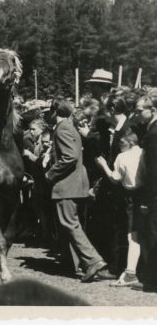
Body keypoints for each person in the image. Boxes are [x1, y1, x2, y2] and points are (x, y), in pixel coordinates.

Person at [45, 97, 113, 282]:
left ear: (53, 111)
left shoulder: (63, 128)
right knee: (70, 224)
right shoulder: (69, 126)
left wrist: (50, 174)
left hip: (68, 184)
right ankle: (78, 263)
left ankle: (94, 262)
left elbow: (70, 157)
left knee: (70, 224)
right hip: (75, 183)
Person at [96, 129, 145, 287]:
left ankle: (131, 272)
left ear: (130, 143)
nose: (119, 146)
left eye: (121, 143)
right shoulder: (144, 152)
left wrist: (104, 165)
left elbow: (115, 178)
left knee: (133, 235)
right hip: (147, 194)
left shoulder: (122, 157)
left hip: (132, 197)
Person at [131, 90, 157, 292]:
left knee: (152, 233)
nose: (137, 114)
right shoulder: (150, 130)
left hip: (154, 194)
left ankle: (152, 280)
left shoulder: (153, 134)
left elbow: (153, 170)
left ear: (152, 110)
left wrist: (147, 200)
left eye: (140, 111)